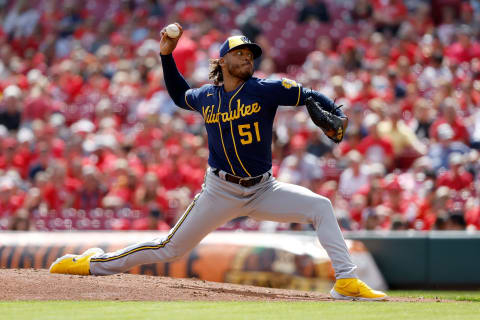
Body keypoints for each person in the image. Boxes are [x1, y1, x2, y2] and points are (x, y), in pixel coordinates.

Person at [49, 23, 387, 301]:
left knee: (321, 206)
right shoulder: (207, 96)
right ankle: (93, 264)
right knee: (169, 248)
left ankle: (346, 281)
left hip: (263, 188)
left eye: (250, 54)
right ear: (223, 61)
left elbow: (310, 94)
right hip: (220, 190)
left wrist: (338, 115)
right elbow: (179, 95)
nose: (247, 58)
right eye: (239, 53)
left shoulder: (265, 89)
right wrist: (166, 55)